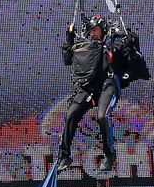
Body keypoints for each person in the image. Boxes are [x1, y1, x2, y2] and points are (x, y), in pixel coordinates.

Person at [56, 13, 140, 172]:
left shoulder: (114, 42)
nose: (92, 33)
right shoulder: (86, 45)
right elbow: (68, 60)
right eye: (90, 31)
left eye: (95, 30)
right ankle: (64, 155)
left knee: (102, 116)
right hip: (89, 87)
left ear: (102, 29)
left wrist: (131, 42)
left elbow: (136, 60)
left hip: (108, 86)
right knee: (72, 113)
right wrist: (70, 40)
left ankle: (109, 155)